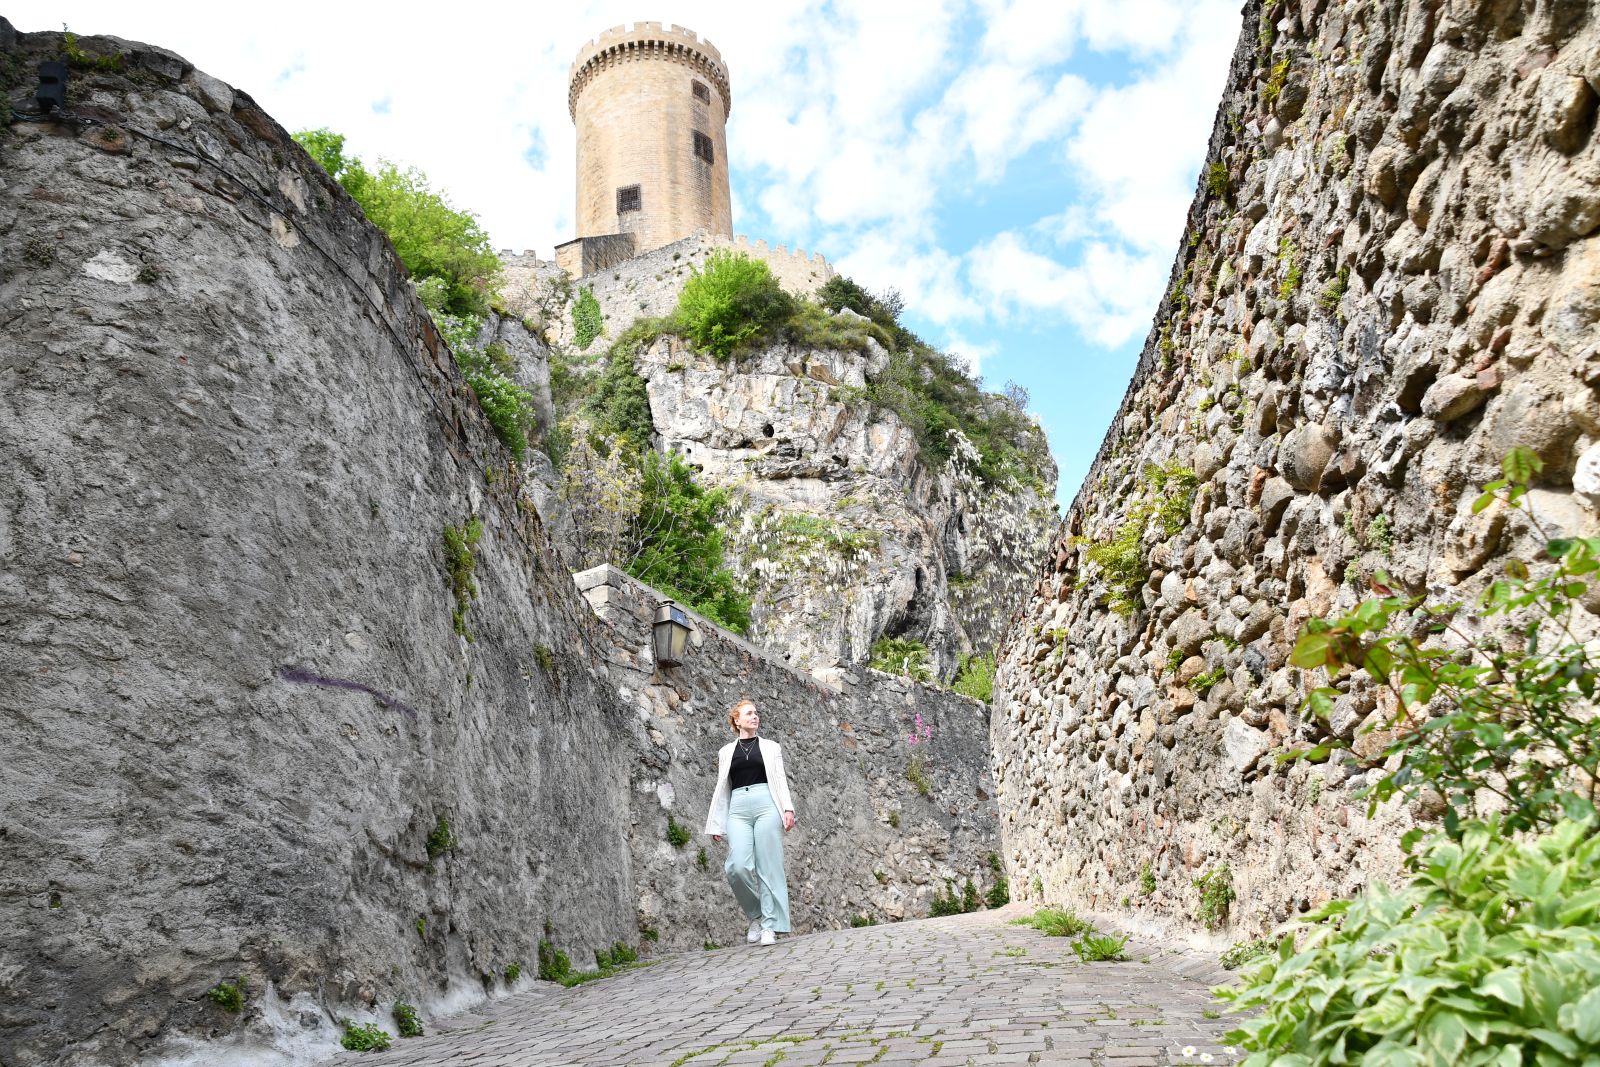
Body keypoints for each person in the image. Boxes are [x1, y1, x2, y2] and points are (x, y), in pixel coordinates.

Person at [704, 698, 796, 946]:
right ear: (737, 720)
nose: (754, 717)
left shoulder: (771, 747)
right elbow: (723, 788)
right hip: (738, 808)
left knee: (768, 866)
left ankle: (769, 926)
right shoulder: (725, 752)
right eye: (749, 713)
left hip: (766, 803)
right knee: (737, 866)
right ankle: (756, 914)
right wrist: (717, 823)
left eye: (756, 713)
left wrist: (788, 808)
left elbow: (780, 779)